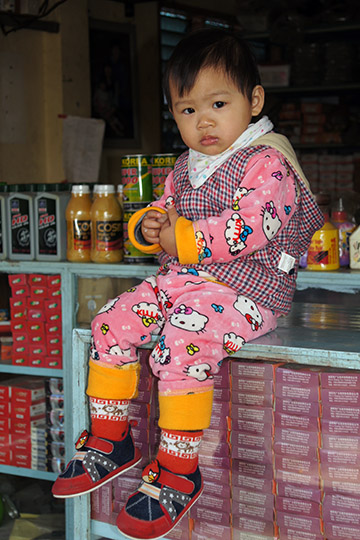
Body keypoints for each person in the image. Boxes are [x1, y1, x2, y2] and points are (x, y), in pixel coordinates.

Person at [52, 28, 324, 539]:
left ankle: (180, 467)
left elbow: (251, 227)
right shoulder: (185, 166)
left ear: (254, 99)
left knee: (181, 343)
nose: (204, 122)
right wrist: (150, 226)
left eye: (218, 103)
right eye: (186, 110)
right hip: (184, 280)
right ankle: (112, 439)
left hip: (248, 291)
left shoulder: (268, 161)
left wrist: (183, 238)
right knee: (109, 324)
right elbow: (163, 212)